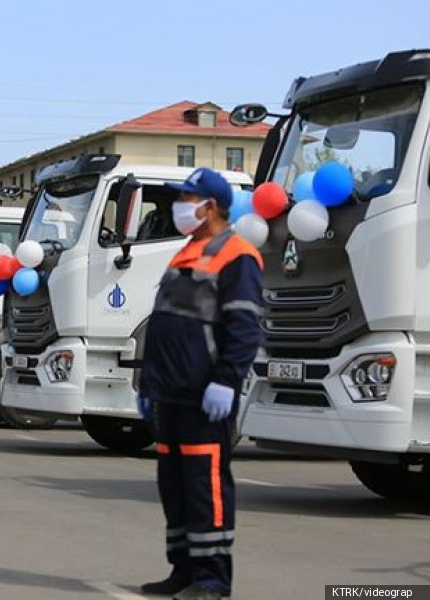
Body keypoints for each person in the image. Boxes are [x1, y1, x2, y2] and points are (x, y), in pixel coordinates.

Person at [137, 168, 264, 600]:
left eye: (187, 199)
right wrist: (146, 384)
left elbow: (245, 328)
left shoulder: (238, 255)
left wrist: (226, 381)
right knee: (173, 486)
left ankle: (212, 579)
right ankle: (184, 570)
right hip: (169, 392)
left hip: (203, 394)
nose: (180, 207)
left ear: (210, 206)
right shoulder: (187, 251)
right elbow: (166, 323)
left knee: (204, 486)